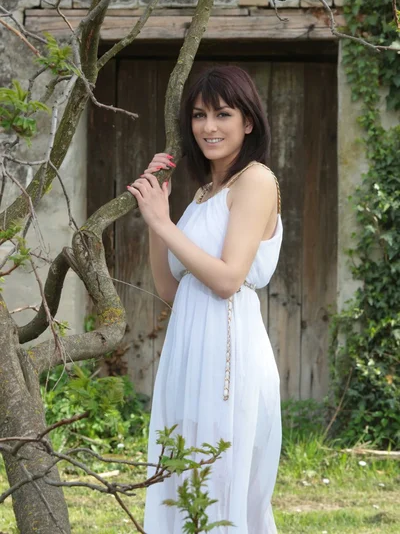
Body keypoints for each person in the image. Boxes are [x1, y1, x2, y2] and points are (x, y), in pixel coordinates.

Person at [127, 65, 283, 534]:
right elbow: (170, 288)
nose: (208, 127)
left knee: (219, 478)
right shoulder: (203, 195)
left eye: (222, 114)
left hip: (228, 351)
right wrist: (164, 211)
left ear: (248, 122)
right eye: (198, 115)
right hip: (187, 349)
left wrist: (162, 224)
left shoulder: (256, 181)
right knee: (182, 471)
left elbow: (228, 279)